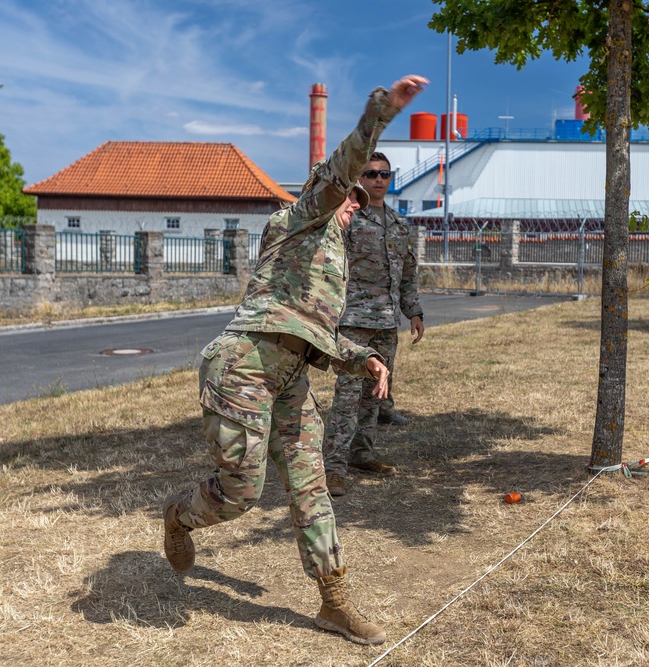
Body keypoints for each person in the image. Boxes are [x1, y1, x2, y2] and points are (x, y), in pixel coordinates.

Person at [161, 75, 428, 646]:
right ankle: (180, 515)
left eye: (361, 198)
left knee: (312, 488)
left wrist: (367, 360)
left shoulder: (331, 256)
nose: (358, 204)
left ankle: (335, 601)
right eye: (354, 194)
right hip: (243, 368)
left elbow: (316, 332)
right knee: (242, 493)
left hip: (289, 378)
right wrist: (380, 114)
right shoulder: (301, 219)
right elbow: (339, 170)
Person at [322, 151, 424, 497]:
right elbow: (331, 267)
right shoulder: (349, 219)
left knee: (374, 395)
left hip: (385, 323)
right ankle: (333, 467)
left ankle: (361, 454)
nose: (378, 179)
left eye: (384, 174)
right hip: (352, 321)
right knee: (347, 396)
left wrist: (414, 311)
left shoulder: (399, 224)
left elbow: (408, 272)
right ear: (360, 180)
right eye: (370, 174)